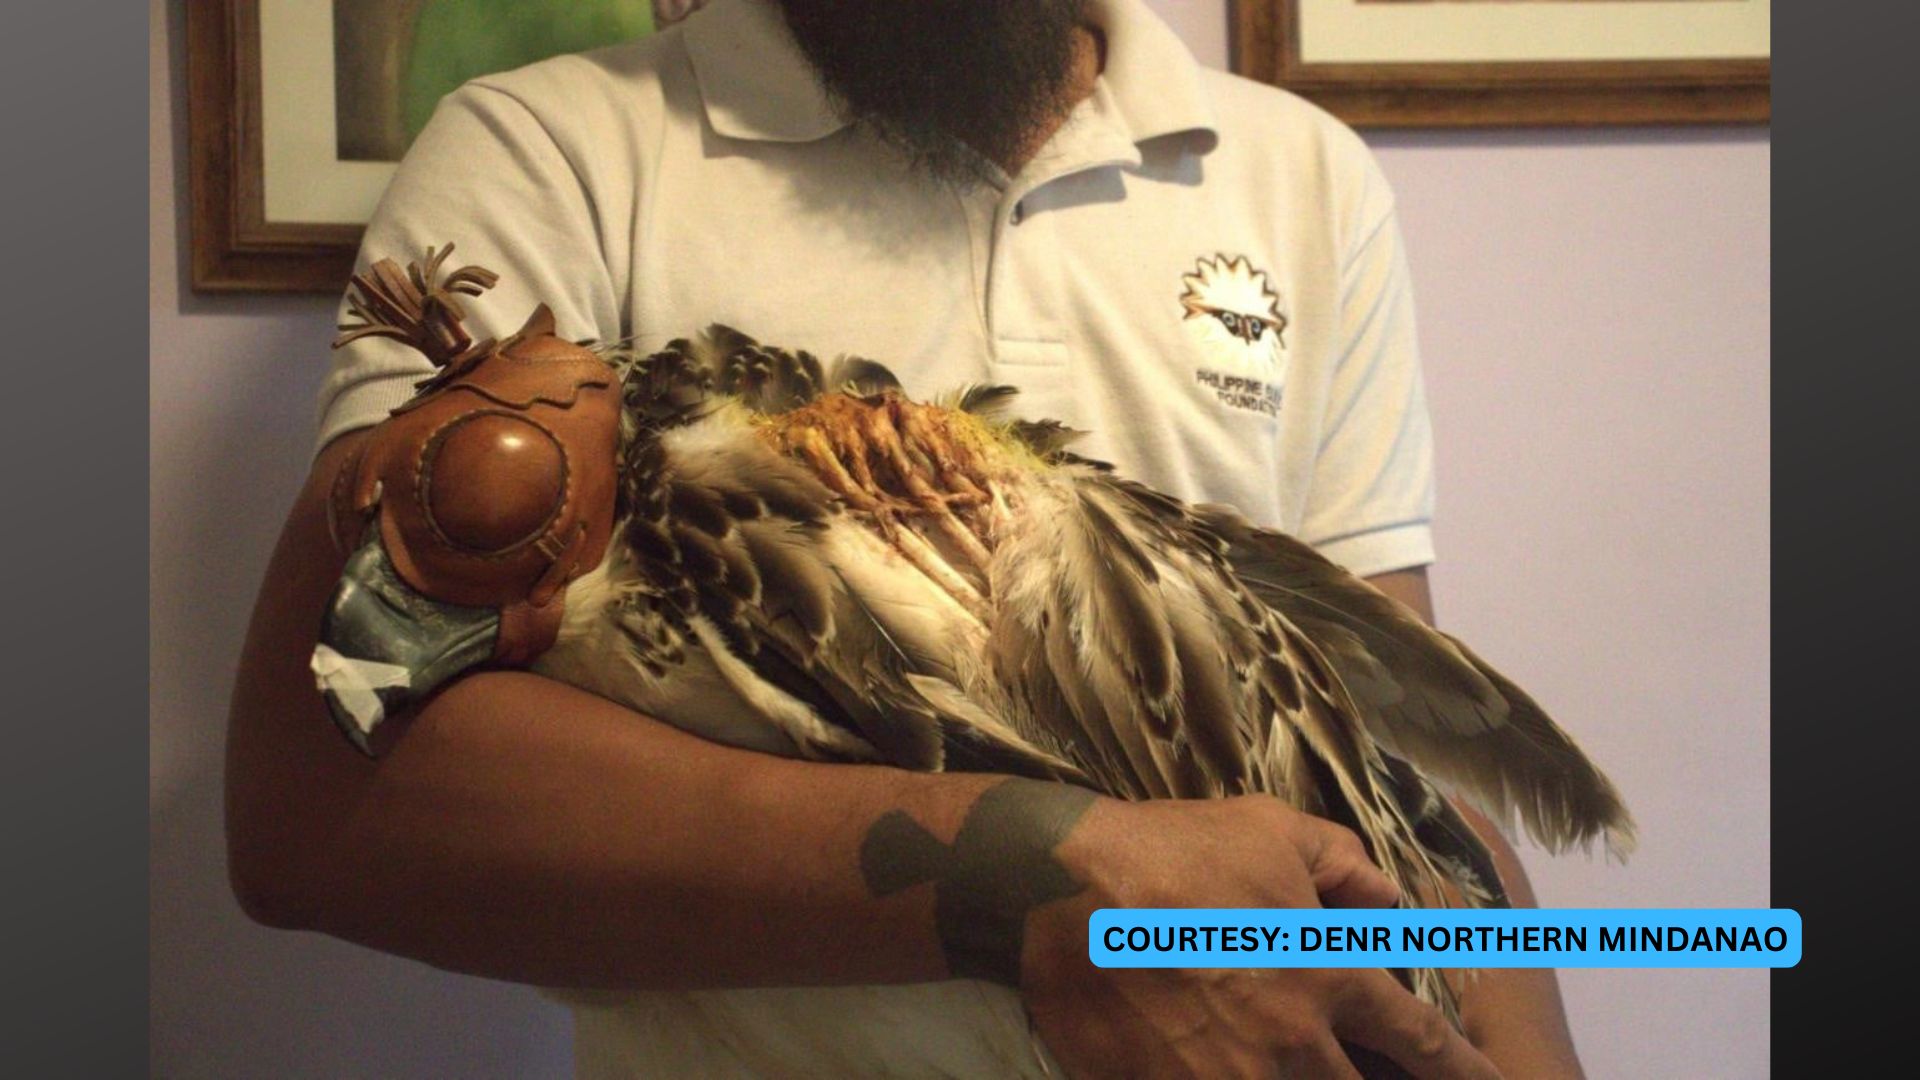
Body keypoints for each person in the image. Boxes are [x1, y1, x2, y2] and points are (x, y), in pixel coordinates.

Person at [227, 0, 1586, 1076]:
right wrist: (1036, 877)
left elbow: (1391, 773)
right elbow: (332, 797)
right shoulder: (549, 156)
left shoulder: (1301, 172)